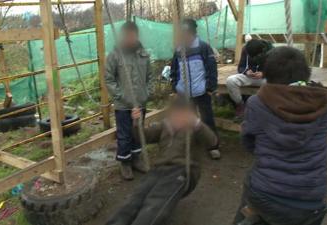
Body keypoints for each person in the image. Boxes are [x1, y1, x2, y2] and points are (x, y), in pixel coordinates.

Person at [233, 47, 327, 225]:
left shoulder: (257, 104)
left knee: (253, 178)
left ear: (268, 74)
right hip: (312, 198)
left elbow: (248, 142)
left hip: (267, 195)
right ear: (306, 72)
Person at [105, 98, 217, 225]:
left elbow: (212, 141)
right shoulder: (166, 125)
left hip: (182, 171)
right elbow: (143, 136)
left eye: (182, 115)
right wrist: (136, 121)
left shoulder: (194, 129)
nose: (177, 119)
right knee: (136, 198)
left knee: (155, 204)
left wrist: (196, 123)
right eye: (175, 114)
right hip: (159, 169)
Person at [105, 21, 154, 180]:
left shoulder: (143, 54)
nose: (131, 39)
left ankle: (137, 159)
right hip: (123, 106)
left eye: (134, 36)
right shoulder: (115, 55)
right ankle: (125, 163)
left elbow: (150, 77)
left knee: (137, 133)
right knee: (125, 135)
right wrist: (123, 98)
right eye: (128, 36)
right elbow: (109, 79)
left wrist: (146, 95)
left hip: (141, 103)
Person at [170, 18, 220, 160]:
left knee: (207, 119)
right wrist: (175, 87)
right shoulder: (178, 50)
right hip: (184, 93)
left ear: (193, 33)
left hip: (202, 91)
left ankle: (213, 146)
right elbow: (174, 70)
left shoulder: (203, 47)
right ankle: (192, 144)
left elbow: (211, 68)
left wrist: (210, 87)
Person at [226, 39, 272, 120]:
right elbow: (240, 67)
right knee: (230, 80)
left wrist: (264, 73)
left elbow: (276, 69)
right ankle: (240, 105)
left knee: (276, 83)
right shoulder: (246, 49)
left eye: (255, 56)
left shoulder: (271, 50)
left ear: (262, 51)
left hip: (264, 78)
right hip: (249, 77)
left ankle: (269, 109)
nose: (253, 58)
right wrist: (246, 72)